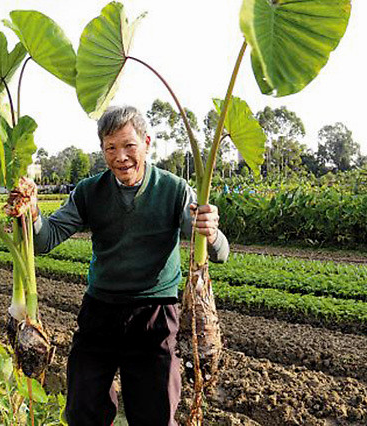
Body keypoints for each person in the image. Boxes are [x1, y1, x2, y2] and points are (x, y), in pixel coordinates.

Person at [27, 106, 229, 425]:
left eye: (129, 146)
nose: (121, 156)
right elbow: (45, 240)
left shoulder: (174, 190)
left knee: (155, 415)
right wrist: (33, 214)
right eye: (111, 148)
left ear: (146, 143)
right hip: (100, 310)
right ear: (103, 150)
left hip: (155, 314)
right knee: (83, 410)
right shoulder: (88, 192)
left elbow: (219, 253)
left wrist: (212, 231)